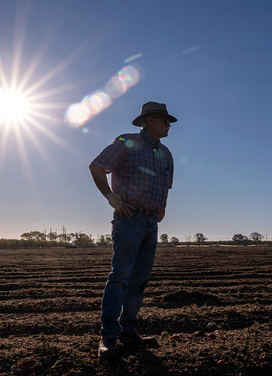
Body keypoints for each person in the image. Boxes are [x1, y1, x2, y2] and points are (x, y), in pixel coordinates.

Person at [89, 101, 176, 359]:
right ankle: (109, 337)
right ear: (149, 121)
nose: (168, 125)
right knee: (120, 277)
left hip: (151, 223)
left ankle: (129, 331)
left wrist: (162, 207)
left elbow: (166, 185)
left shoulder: (166, 153)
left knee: (139, 280)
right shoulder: (127, 142)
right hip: (129, 219)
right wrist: (112, 198)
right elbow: (97, 166)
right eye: (164, 120)